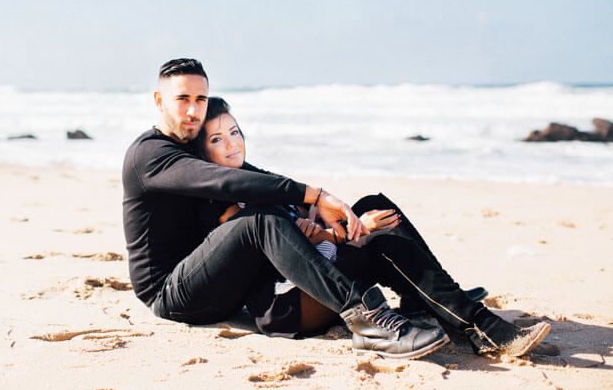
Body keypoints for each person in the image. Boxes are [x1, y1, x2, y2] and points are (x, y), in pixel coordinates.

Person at [122, 58, 449, 360]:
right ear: (159, 100)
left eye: (201, 99)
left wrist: (312, 208)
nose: (193, 110)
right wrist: (316, 196)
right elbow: (228, 183)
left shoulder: (195, 144)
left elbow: (258, 179)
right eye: (182, 99)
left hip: (219, 278)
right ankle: (366, 320)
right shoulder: (150, 155)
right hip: (172, 295)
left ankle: (436, 298)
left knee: (351, 212)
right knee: (259, 222)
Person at [191, 95, 551, 357]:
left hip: (320, 273)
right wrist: (344, 232)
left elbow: (304, 211)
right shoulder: (220, 202)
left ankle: (433, 302)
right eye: (216, 139)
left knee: (374, 207)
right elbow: (274, 255)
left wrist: (330, 218)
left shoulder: (253, 177)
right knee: (382, 242)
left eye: (235, 132)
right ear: (202, 153)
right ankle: (476, 323)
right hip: (287, 303)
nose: (231, 144)